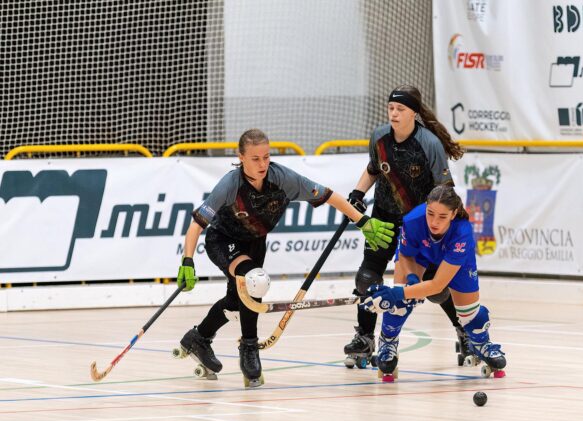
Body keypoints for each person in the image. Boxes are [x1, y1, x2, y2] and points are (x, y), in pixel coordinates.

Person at [176, 128, 394, 387]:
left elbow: (328, 195)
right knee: (254, 281)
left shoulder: (283, 179)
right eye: (255, 159)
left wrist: (362, 221)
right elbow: (197, 225)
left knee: (237, 302)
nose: (262, 164)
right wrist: (187, 261)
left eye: (266, 157)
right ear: (241, 158)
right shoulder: (230, 184)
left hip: (255, 243)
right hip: (223, 241)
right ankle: (249, 347)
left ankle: (199, 337)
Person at [343, 84, 475, 369]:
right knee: (367, 277)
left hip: (419, 224)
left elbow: (445, 189)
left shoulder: (429, 143)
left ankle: (464, 331)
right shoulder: (379, 137)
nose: (394, 113)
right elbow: (373, 169)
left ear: (413, 113)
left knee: (436, 287)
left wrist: (448, 221)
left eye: (400, 109)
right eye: (391, 108)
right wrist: (357, 193)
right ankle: (365, 337)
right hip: (383, 218)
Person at [362, 185, 507, 382]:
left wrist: (397, 293)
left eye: (442, 217)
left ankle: (481, 344)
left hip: (455, 260)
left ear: (453, 214)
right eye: (430, 214)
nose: (434, 222)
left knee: (471, 314)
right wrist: (411, 279)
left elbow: (437, 286)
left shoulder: (463, 231)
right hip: (420, 255)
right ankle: (388, 342)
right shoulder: (412, 220)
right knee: (400, 302)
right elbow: (405, 255)